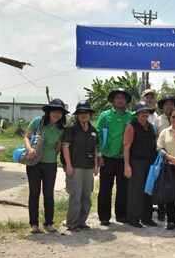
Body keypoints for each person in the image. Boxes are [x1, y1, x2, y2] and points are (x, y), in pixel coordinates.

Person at [25, 98, 69, 234]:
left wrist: (49, 155)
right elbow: (27, 137)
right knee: (34, 193)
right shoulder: (37, 121)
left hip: (50, 164)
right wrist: (30, 150)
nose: (57, 115)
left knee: (49, 194)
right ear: (49, 111)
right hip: (34, 163)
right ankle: (34, 224)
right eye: (55, 112)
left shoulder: (61, 129)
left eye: (60, 113)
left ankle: (49, 223)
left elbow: (58, 147)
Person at [96, 88, 134, 226]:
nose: (120, 100)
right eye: (117, 97)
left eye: (122, 98)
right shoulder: (105, 115)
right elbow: (99, 135)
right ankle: (104, 216)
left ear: (126, 101)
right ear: (113, 100)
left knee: (123, 188)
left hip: (124, 158)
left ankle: (121, 215)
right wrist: (99, 154)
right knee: (105, 187)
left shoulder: (131, 116)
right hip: (107, 156)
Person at [61, 100, 98, 232]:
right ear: (77, 115)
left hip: (88, 167)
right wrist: (68, 166)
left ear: (90, 114)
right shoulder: (71, 129)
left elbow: (95, 149)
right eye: (81, 112)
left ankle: (82, 221)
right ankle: (72, 223)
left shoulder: (93, 130)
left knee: (86, 196)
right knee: (75, 195)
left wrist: (96, 165)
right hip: (75, 166)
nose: (83, 115)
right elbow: (65, 147)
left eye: (86, 112)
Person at [123, 101, 159, 228]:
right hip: (136, 162)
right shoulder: (131, 127)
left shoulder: (152, 127)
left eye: (146, 112)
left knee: (148, 190)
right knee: (136, 191)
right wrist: (127, 166)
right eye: (141, 112)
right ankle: (133, 217)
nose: (144, 114)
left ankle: (146, 217)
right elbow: (126, 148)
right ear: (137, 114)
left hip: (150, 163)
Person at [154, 94, 175, 222]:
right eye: (166, 104)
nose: (169, 106)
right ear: (163, 106)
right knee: (163, 183)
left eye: (171, 104)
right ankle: (161, 211)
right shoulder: (158, 120)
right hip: (162, 156)